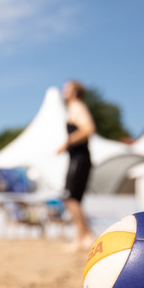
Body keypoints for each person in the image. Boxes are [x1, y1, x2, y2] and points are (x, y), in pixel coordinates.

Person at [57, 80, 96, 252]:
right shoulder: (74, 107)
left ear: (74, 93)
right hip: (78, 158)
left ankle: (82, 237)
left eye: (66, 88)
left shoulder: (77, 107)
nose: (63, 91)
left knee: (70, 198)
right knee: (74, 199)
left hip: (80, 158)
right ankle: (85, 236)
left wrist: (67, 142)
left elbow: (88, 129)